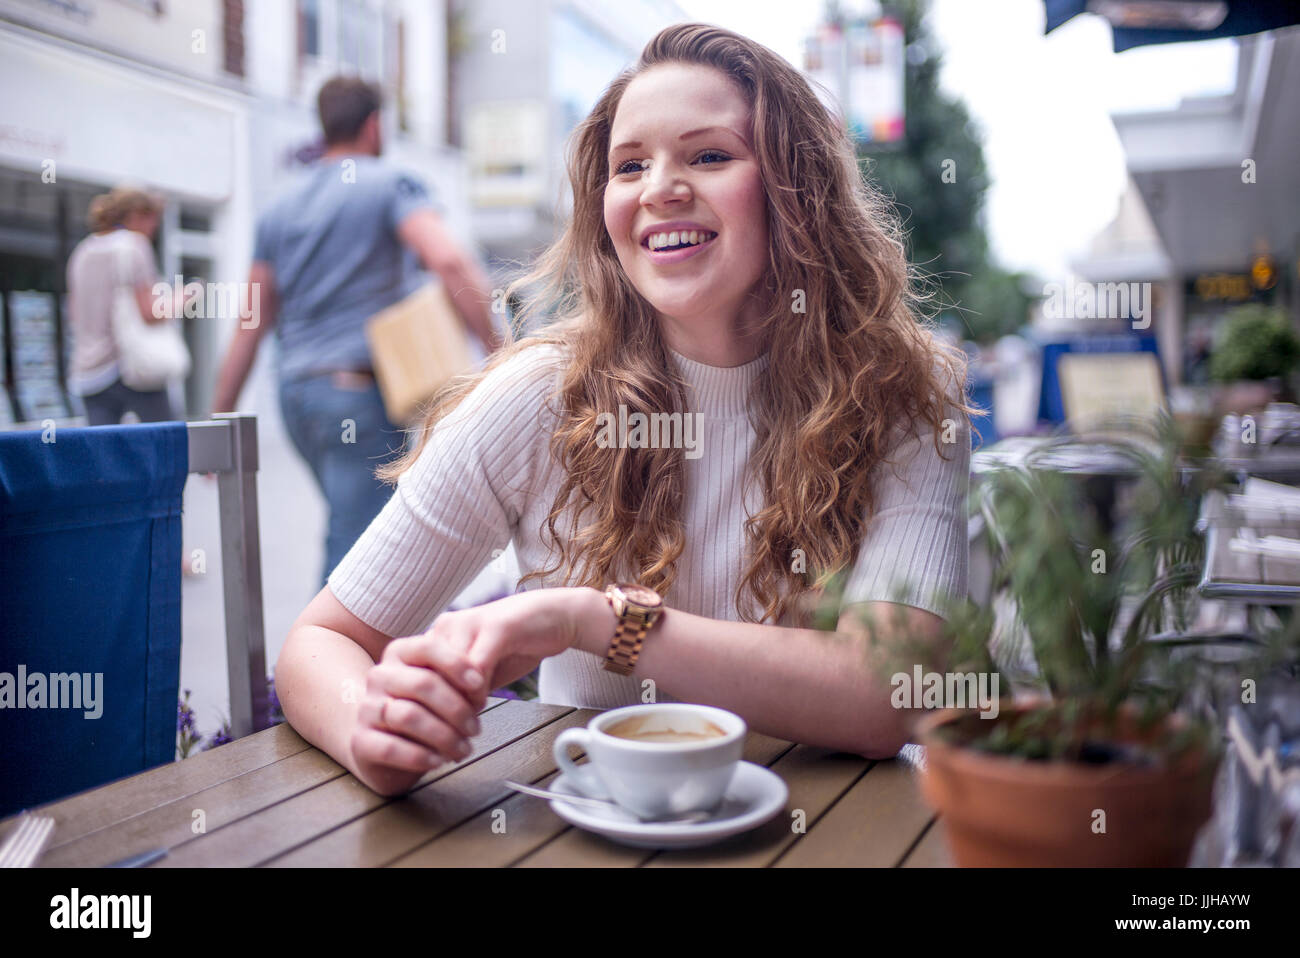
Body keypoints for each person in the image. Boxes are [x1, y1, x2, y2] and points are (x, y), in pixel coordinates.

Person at [276, 24, 977, 798]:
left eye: (709, 155)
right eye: (629, 165)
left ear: (798, 188)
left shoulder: (906, 392)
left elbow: (888, 693)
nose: (659, 188)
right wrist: (366, 725)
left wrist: (599, 623)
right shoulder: (540, 394)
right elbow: (321, 642)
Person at [211, 76, 501, 584]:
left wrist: (218, 417)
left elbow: (251, 319)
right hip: (355, 398)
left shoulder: (278, 210)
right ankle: (323, 658)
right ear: (373, 125)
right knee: (360, 556)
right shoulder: (389, 185)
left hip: (297, 397)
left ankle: (379, 652)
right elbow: (449, 260)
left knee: (359, 529)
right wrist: (502, 350)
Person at [66, 186, 177, 425]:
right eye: (153, 221)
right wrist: (184, 299)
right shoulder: (134, 246)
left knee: (104, 454)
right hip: (130, 367)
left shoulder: (82, 251)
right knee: (167, 446)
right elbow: (150, 312)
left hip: (89, 373)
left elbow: (75, 314)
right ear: (137, 216)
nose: (153, 230)